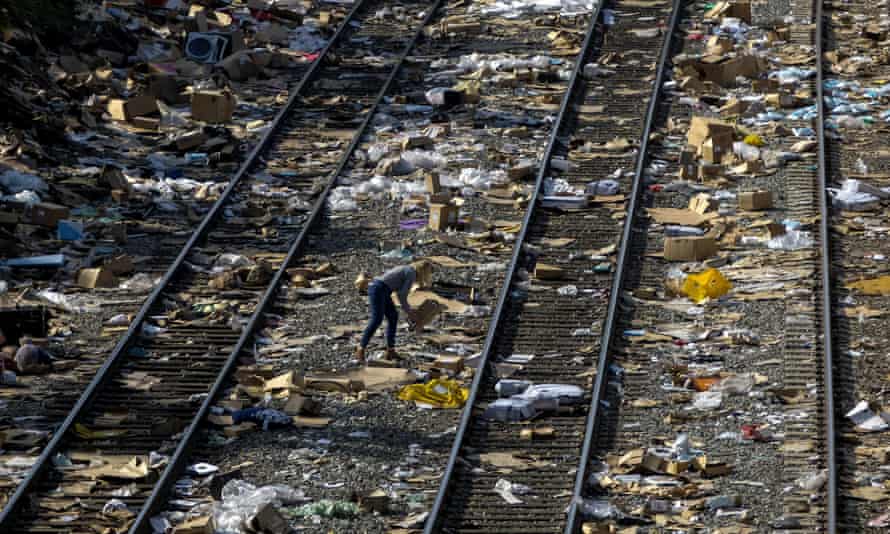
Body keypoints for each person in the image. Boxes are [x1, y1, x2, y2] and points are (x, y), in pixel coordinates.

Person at [356, 261, 433, 362]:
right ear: (423, 271)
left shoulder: (408, 269)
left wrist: (409, 310)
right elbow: (401, 295)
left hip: (382, 289)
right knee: (377, 319)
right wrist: (409, 313)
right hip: (378, 289)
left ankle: (390, 351)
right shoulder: (411, 273)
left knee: (393, 316)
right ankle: (361, 348)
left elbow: (399, 291)